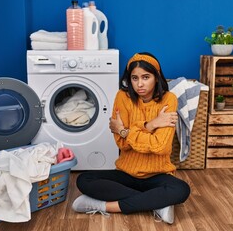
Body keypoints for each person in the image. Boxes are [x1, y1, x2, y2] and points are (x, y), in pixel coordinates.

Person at [72, 52, 190, 224]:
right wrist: (150, 125)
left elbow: (160, 147)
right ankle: (157, 203)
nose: (139, 84)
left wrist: (126, 131)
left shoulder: (168, 99)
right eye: (134, 78)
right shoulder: (123, 97)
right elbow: (121, 144)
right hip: (126, 174)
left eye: (146, 77)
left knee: (181, 190)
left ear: (156, 77)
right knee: (84, 179)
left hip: (158, 175)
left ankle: (105, 206)